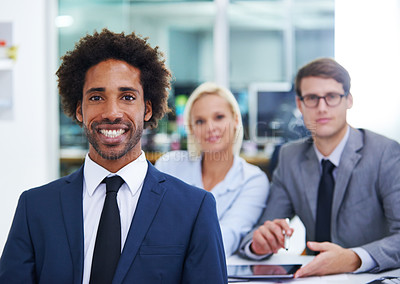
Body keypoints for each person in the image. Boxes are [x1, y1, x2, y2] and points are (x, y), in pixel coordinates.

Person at [0, 29, 227, 284]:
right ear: (79, 110)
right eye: (96, 97)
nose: (112, 112)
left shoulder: (194, 209)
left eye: (127, 97)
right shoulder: (35, 208)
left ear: (147, 109)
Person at [239, 58, 400, 277]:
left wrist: (355, 258)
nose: (322, 108)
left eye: (332, 97)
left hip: (369, 277)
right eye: (312, 98)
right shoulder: (290, 157)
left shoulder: (385, 153)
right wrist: (259, 243)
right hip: (313, 277)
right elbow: (261, 229)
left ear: (348, 100)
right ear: (300, 105)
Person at [155, 82, 269, 257]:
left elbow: (225, 241)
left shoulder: (253, 180)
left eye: (219, 117)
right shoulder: (169, 166)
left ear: (235, 120)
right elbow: (154, 232)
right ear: (191, 129)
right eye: (200, 121)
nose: (210, 128)